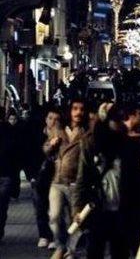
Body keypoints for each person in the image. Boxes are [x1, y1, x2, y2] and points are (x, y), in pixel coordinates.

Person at [74, 104, 129, 259]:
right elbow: (82, 178)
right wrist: (77, 208)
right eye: (117, 119)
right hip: (97, 206)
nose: (121, 123)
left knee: (120, 251)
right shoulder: (91, 142)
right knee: (95, 250)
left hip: (121, 208)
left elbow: (134, 180)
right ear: (107, 120)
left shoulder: (126, 142)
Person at [47, 99, 88, 259]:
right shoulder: (59, 129)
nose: (78, 112)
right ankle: (60, 245)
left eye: (81, 109)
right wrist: (51, 144)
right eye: (75, 108)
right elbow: (46, 149)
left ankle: (71, 250)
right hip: (57, 181)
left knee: (75, 219)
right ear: (69, 111)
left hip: (76, 183)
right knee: (55, 216)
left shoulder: (86, 132)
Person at [120, 103, 140, 256]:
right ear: (132, 115)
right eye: (139, 114)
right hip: (124, 189)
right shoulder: (119, 134)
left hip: (137, 189)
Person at [34, 109, 62, 250]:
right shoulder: (39, 135)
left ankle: (53, 237)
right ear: (46, 119)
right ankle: (43, 235)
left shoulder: (61, 137)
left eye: (56, 119)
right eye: (50, 118)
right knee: (40, 207)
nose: (53, 122)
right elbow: (32, 154)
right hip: (40, 176)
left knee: (54, 209)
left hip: (55, 177)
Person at [0, 109, 24, 242]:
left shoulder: (11, 132)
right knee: (2, 205)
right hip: (8, 174)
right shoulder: (10, 132)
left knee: (2, 204)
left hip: (6, 174)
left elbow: (17, 154)